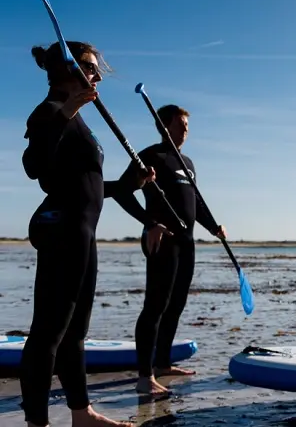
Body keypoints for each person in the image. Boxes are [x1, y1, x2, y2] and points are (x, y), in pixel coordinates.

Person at [20, 40, 156, 427]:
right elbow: (35, 167)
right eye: (89, 67)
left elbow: (89, 184)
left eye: (96, 69)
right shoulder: (48, 111)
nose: (97, 75)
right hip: (61, 227)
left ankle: (82, 414)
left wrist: (132, 182)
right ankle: (37, 423)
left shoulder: (78, 119)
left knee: (75, 332)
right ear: (66, 68)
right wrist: (67, 109)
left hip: (83, 231)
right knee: (47, 332)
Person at [112, 104, 226, 396]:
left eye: (187, 124)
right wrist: (149, 223)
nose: (186, 129)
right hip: (161, 240)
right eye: (181, 124)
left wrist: (213, 227)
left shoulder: (187, 161)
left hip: (186, 242)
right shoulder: (151, 156)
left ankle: (162, 364)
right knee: (155, 306)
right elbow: (123, 191)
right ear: (164, 126)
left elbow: (196, 202)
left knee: (176, 305)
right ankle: (144, 375)